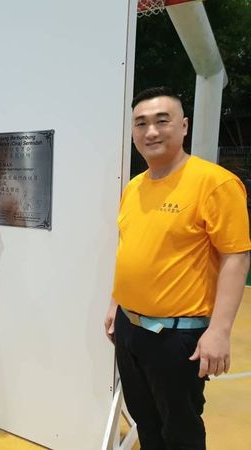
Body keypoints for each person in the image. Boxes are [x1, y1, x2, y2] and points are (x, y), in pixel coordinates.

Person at [105, 86, 251, 450]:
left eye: (162, 121)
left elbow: (236, 257)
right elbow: (130, 248)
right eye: (141, 123)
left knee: (180, 431)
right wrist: (115, 304)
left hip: (176, 337)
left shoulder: (214, 183)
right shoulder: (134, 187)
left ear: (183, 126)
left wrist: (219, 332)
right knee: (146, 422)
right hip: (129, 329)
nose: (151, 131)